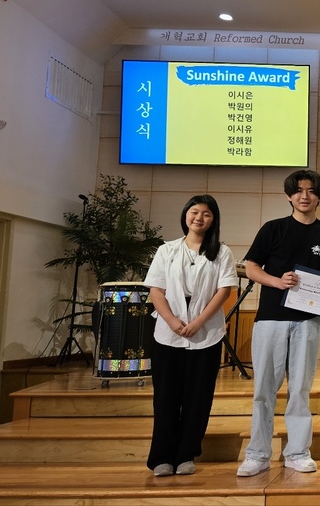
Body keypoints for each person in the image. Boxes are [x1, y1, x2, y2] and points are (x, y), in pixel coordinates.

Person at [237, 170, 320, 477]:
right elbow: (251, 268)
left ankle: (298, 452)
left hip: (308, 322)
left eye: (311, 191)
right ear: (289, 196)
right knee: (264, 389)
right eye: (298, 190)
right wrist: (277, 281)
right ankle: (258, 454)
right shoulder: (273, 229)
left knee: (300, 388)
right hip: (271, 318)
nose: (304, 196)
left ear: (319, 197)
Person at [143, 194, 238, 477]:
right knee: (166, 397)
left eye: (206, 213)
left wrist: (198, 322)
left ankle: (186, 455)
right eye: (194, 212)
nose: (199, 218)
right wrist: (172, 321)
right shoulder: (167, 250)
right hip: (168, 333)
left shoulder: (222, 252)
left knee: (198, 397)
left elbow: (224, 291)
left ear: (213, 219)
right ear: (185, 215)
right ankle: (162, 457)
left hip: (205, 333)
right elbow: (156, 290)